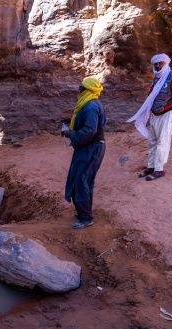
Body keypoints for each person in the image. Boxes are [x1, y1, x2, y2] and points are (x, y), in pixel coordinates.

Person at [127, 53, 172, 181]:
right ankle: (151, 166)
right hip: (155, 113)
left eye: (160, 63)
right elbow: (151, 93)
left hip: (166, 113)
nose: (158, 66)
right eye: (156, 64)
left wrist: (165, 105)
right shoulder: (157, 77)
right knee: (153, 141)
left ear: (166, 63)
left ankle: (159, 169)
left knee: (162, 141)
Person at [61, 78, 106, 229]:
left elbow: (89, 130)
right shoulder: (89, 103)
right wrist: (71, 121)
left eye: (81, 86)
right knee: (82, 178)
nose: (78, 88)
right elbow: (87, 123)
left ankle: (86, 218)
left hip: (91, 147)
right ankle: (83, 212)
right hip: (88, 147)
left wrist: (70, 134)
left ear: (87, 89)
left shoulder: (91, 106)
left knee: (81, 179)